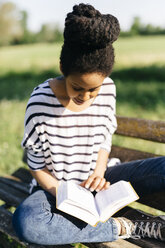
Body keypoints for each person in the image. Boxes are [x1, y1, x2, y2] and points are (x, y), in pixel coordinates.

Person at [12, 3, 165, 245]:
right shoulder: (40, 102)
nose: (86, 97)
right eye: (77, 88)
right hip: (55, 190)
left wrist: (98, 172)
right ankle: (125, 227)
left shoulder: (109, 89)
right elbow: (36, 165)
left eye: (94, 89)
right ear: (63, 69)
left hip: (100, 182)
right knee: (28, 223)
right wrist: (63, 194)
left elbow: (104, 137)